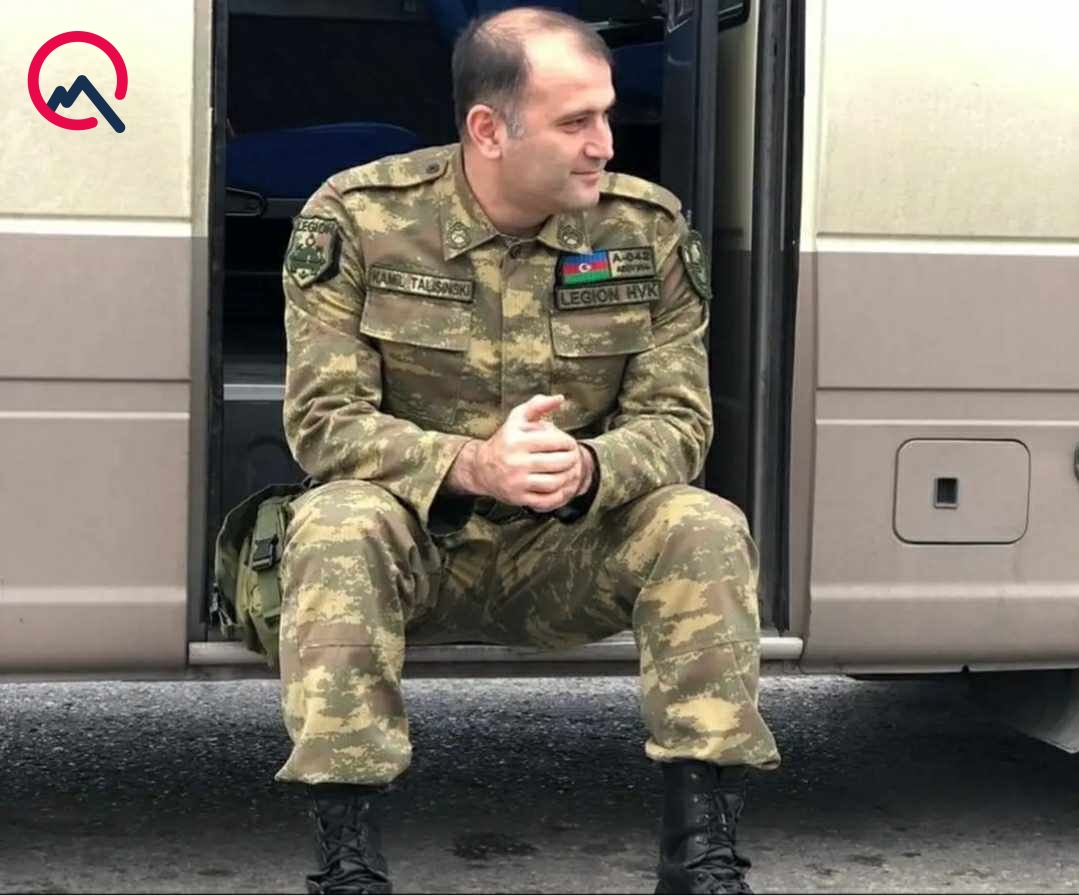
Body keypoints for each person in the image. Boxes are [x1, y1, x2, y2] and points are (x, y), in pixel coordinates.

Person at [276, 7, 780, 893]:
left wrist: (588, 467)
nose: (603, 144)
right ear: (488, 130)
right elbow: (323, 420)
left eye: (606, 115)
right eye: (575, 121)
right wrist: (472, 464)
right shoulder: (360, 217)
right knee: (336, 520)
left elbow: (679, 423)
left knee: (700, 522)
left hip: (570, 550)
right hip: (421, 550)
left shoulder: (645, 229)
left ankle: (701, 851)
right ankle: (345, 859)